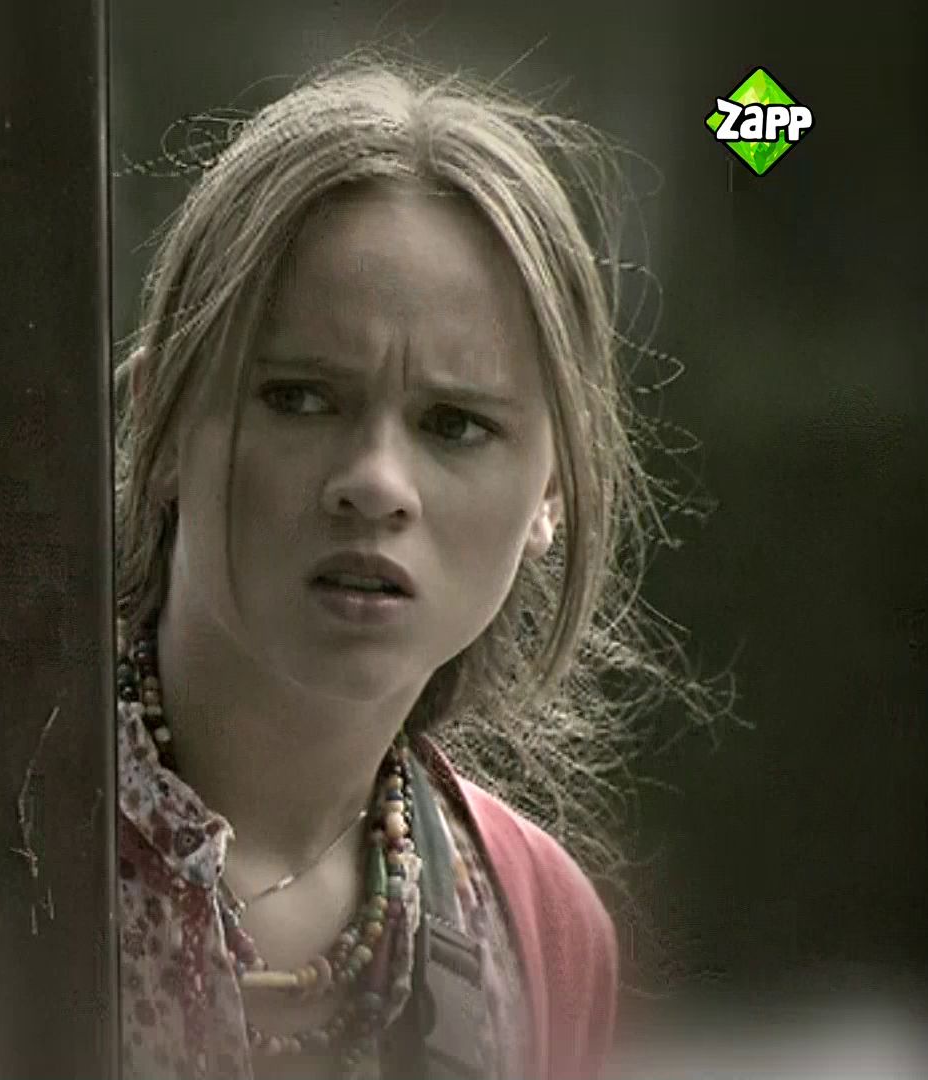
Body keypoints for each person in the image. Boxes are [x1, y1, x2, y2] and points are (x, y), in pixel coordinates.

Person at [114, 56, 701, 1080]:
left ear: (551, 492)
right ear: (160, 421)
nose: (376, 483)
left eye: (454, 424)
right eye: (301, 398)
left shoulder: (543, 930)